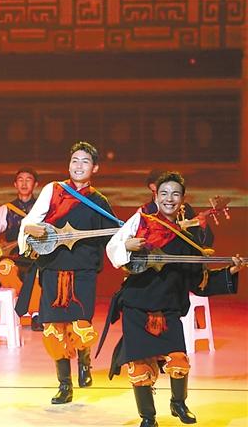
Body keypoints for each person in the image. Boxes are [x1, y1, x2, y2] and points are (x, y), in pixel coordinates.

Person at [104, 171, 244, 427]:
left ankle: (178, 402)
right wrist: (127, 246)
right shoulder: (142, 219)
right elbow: (113, 248)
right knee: (140, 369)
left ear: (182, 199)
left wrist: (230, 271)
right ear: (156, 196)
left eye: (175, 194)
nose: (169, 199)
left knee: (179, 362)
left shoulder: (187, 239)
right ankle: (148, 417)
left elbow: (198, 281)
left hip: (168, 308)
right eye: (164, 193)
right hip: (136, 306)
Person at [17, 141, 121, 404]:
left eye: (85, 161)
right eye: (75, 160)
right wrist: (30, 229)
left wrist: (129, 250)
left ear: (95, 168)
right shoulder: (54, 190)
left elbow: (114, 236)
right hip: (52, 269)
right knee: (54, 330)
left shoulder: (99, 201)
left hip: (83, 272)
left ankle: (84, 359)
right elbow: (30, 221)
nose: (79, 166)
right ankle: (65, 385)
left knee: (80, 326)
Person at [0, 168, 42, 331]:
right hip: (13, 257)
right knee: (4, 269)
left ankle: (36, 314)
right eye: (20, 180)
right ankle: (19, 309)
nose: (24, 183)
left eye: (28, 179)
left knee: (40, 272)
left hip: (37, 257)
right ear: (15, 184)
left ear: (35, 184)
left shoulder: (43, 209)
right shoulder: (6, 209)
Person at [140, 169, 213, 247]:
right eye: (154, 191)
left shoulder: (184, 208)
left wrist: (203, 227)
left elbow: (203, 242)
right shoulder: (146, 211)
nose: (157, 196)